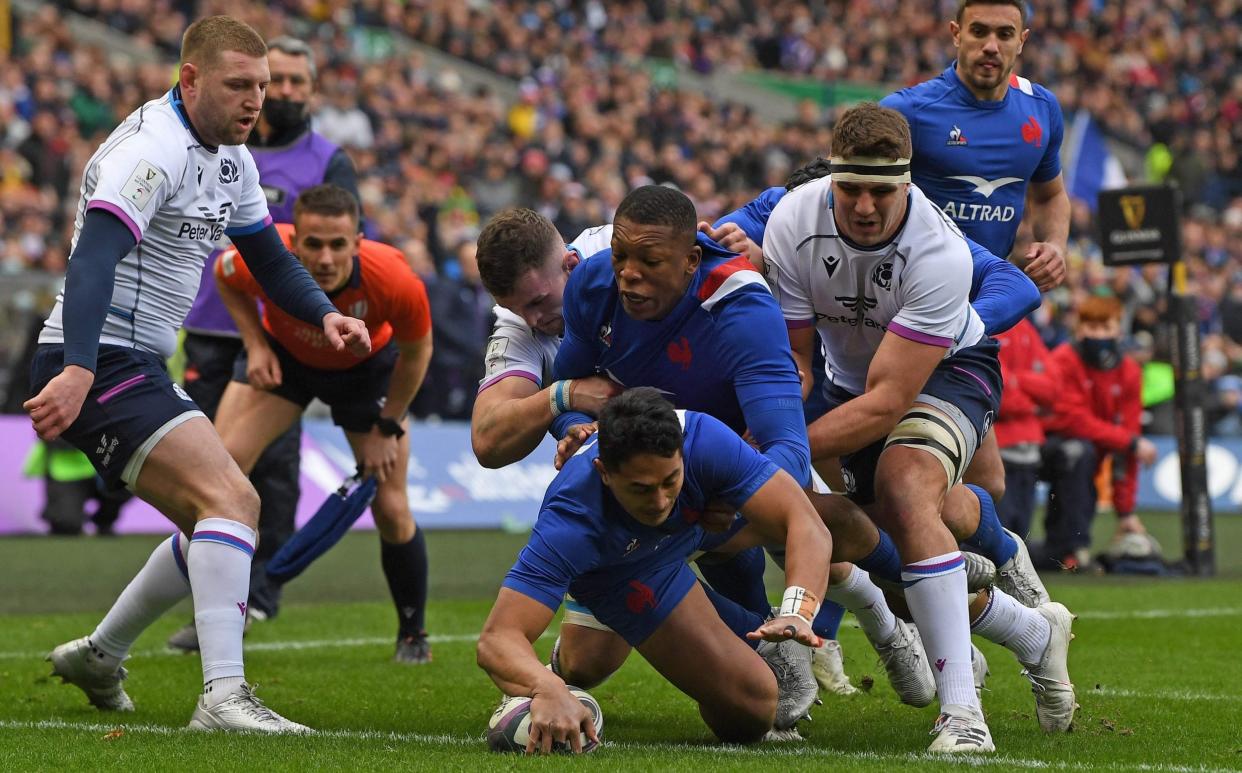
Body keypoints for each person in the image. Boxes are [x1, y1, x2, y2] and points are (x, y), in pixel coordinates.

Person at [29, 16, 369, 732]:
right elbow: (91, 260)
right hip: (98, 356)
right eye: (238, 85)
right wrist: (80, 369)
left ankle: (101, 652)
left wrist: (321, 313)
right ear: (190, 79)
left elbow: (268, 258)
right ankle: (222, 695)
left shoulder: (232, 158)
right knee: (231, 500)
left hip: (135, 359)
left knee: (212, 517)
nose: (256, 101)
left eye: (263, 86)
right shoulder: (151, 151)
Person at [762, 103, 1075, 751]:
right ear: (833, 180)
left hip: (950, 371)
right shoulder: (792, 219)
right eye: (851, 188)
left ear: (908, 182)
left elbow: (888, 401)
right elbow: (795, 361)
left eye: (883, 190)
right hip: (851, 385)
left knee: (906, 482)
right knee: (897, 555)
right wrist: (776, 427)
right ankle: (1031, 632)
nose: (866, 206)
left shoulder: (936, 248)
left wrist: (776, 451)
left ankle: (963, 717)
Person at [477, 388, 833, 750]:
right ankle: (558, 669)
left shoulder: (704, 439)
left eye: (670, 480)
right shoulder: (571, 520)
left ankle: (878, 620)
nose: (660, 500)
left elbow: (805, 523)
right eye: (641, 489)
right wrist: (547, 689)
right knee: (752, 710)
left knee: (842, 520)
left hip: (684, 536)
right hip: (621, 573)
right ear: (603, 472)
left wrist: (799, 611)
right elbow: (498, 639)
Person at [170, 35, 361, 651]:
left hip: (284, 332)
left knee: (272, 469)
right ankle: (211, 598)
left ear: (312, 91)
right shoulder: (214, 142)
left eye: (298, 84)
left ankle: (257, 596)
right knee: (203, 466)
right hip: (207, 323)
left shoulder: (327, 160)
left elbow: (344, 248)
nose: (284, 93)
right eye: (276, 81)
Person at [213, 183, 434, 662]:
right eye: (313, 244)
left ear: (358, 241)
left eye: (338, 244)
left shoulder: (394, 279)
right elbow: (224, 275)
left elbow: (418, 354)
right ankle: (217, 618)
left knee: (392, 508)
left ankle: (413, 633)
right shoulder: (262, 252)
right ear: (293, 242)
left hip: (364, 371)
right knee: (218, 478)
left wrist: (388, 426)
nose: (326, 258)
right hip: (287, 361)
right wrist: (254, 343)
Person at [881, 0, 1072, 506]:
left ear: (1022, 40)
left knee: (986, 483)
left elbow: (1051, 195)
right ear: (955, 34)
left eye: (1004, 34)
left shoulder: (1041, 109)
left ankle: (936, 578)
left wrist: (1055, 244)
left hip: (976, 316)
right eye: (980, 31)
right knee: (904, 475)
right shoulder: (909, 111)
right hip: (906, 313)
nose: (991, 45)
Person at [1038, 295, 1157, 568]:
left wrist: (1126, 511)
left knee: (1084, 459)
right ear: (1079, 329)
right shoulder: (1062, 360)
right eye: (1091, 328)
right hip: (1043, 446)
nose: (1098, 335)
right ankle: (1070, 548)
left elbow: (1128, 442)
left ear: (1119, 330)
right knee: (1079, 452)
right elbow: (1072, 419)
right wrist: (1129, 441)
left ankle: (1069, 552)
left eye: (1105, 328)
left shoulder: (1129, 371)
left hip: (1088, 454)